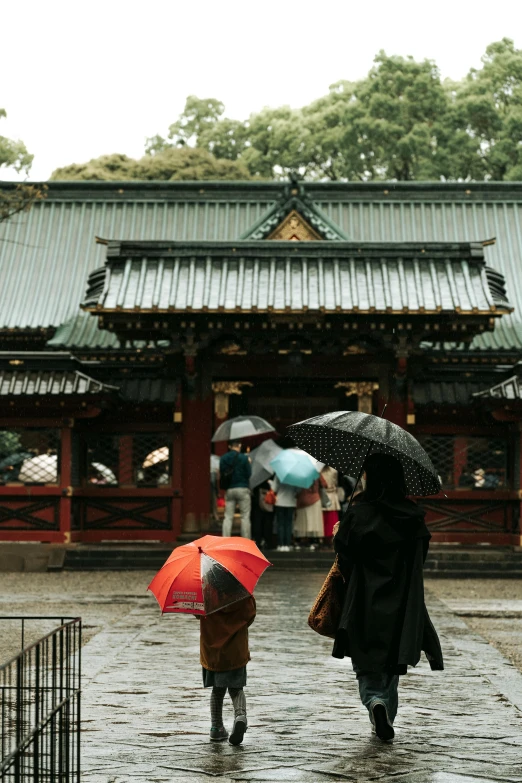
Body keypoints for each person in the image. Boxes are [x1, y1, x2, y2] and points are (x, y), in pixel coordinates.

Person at [333, 453, 443, 742]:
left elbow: (344, 557)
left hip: (364, 596)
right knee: (392, 659)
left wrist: (341, 532)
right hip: (401, 600)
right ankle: (385, 713)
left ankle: (374, 702)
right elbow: (421, 557)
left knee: (367, 660)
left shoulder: (359, 513)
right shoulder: (412, 517)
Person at [199, 595, 256, 745]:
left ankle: (216, 728)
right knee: (236, 688)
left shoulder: (206, 591)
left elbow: (198, 613)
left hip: (212, 650)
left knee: (217, 690)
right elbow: (250, 615)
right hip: (235, 649)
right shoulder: (241, 592)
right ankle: (240, 715)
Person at [220, 441, 252, 538]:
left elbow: (222, 472)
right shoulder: (244, 458)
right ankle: (246, 541)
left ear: (230, 446)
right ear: (240, 445)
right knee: (245, 517)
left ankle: (225, 539)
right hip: (242, 487)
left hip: (230, 489)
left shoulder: (223, 458)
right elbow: (248, 474)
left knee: (228, 517)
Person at [295, 474, 327, 550]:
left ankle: (303, 540)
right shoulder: (315, 472)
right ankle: (314, 540)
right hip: (315, 499)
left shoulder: (298, 474)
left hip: (302, 500)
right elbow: (325, 484)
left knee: (303, 522)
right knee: (314, 522)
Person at [270, 476, 298, 552]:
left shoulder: (278, 474)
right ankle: (287, 544)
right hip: (291, 502)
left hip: (280, 502)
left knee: (280, 524)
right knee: (289, 524)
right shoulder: (295, 476)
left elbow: (274, 488)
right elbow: (298, 490)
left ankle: (280, 544)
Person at [321, 465, 341, 549]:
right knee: (326, 520)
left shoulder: (320, 470)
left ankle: (329, 539)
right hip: (328, 495)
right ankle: (326, 540)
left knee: (330, 519)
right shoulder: (334, 470)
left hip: (327, 495)